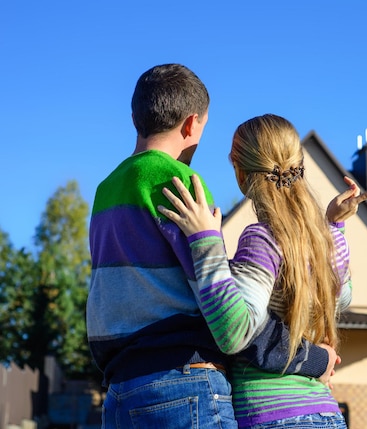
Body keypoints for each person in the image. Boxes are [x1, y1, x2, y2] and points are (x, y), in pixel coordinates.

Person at [87, 64, 347, 429]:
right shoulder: (182, 183)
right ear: (192, 124)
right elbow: (229, 315)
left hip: (120, 387)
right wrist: (315, 359)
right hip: (184, 379)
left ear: (135, 118)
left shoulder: (105, 191)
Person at [158, 113, 367, 428]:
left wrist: (204, 240)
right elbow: (341, 297)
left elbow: (235, 332)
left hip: (273, 416)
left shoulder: (263, 239)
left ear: (240, 172)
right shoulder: (324, 240)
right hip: (326, 414)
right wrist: (333, 227)